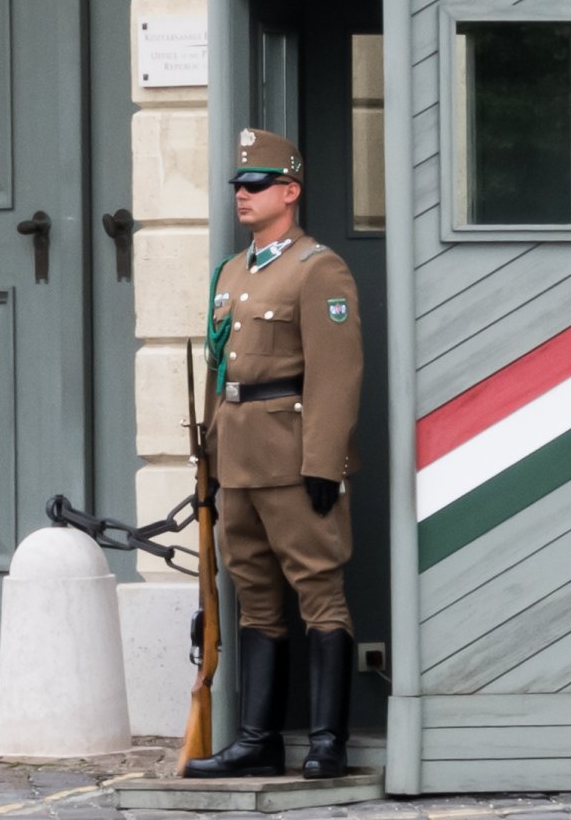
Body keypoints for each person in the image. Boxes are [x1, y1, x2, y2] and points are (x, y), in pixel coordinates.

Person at [184, 128, 364, 781]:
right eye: (239, 184)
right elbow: (217, 369)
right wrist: (207, 456)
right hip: (235, 456)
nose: (242, 193)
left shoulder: (318, 269)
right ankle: (258, 739)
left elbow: (336, 372)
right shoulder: (231, 273)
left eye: (256, 184)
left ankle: (327, 742)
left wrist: (325, 461)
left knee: (318, 592)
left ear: (289, 191)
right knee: (254, 595)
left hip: (292, 457)